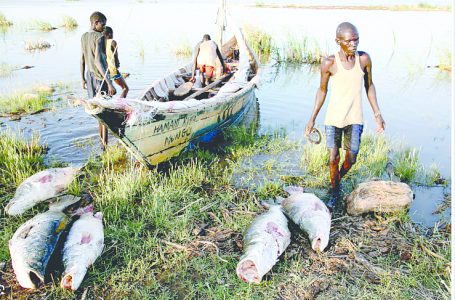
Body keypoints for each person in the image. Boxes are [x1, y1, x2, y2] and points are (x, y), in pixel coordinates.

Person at [304, 22, 386, 209]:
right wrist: (312, 118)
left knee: (352, 157)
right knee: (333, 157)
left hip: (355, 118)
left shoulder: (364, 59)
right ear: (338, 41)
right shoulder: (329, 63)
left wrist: (377, 113)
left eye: (356, 39)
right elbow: (322, 90)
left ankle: (337, 179)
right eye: (349, 41)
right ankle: (335, 191)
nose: (353, 44)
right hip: (333, 119)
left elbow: (369, 86)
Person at [80, 11, 116, 150]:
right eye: (103, 24)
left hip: (89, 76)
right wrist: (109, 82)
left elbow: (82, 59)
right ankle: (104, 146)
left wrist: (82, 78)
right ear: (96, 22)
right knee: (104, 112)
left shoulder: (83, 37)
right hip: (100, 78)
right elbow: (98, 61)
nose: (104, 27)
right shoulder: (99, 37)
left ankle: (102, 143)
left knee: (97, 111)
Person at [103, 26, 129, 98]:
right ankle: (120, 104)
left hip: (104, 71)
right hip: (112, 70)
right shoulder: (113, 42)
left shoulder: (101, 43)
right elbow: (116, 58)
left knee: (109, 92)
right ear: (110, 34)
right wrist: (117, 64)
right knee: (125, 88)